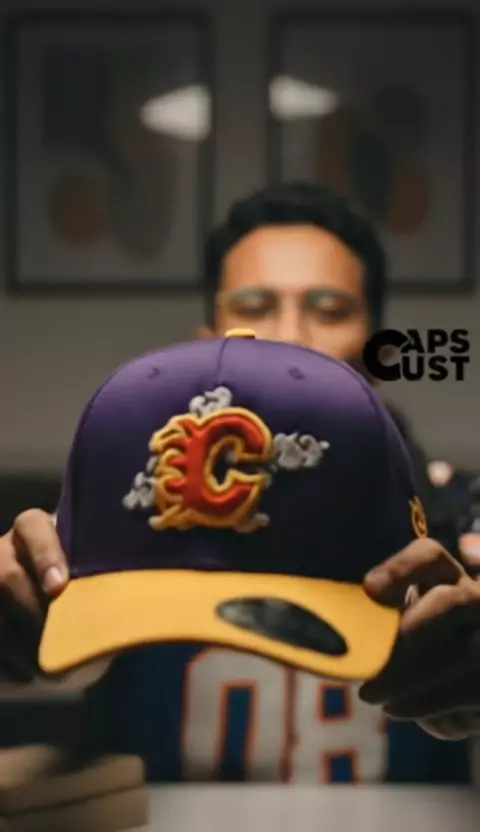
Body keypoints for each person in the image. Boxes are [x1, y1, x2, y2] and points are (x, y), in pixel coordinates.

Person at [0, 182, 478, 783]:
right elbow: (63, 660)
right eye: (254, 306)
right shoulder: (122, 503)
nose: (290, 335)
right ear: (210, 339)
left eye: (331, 310)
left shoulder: (457, 518)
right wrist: (34, 633)